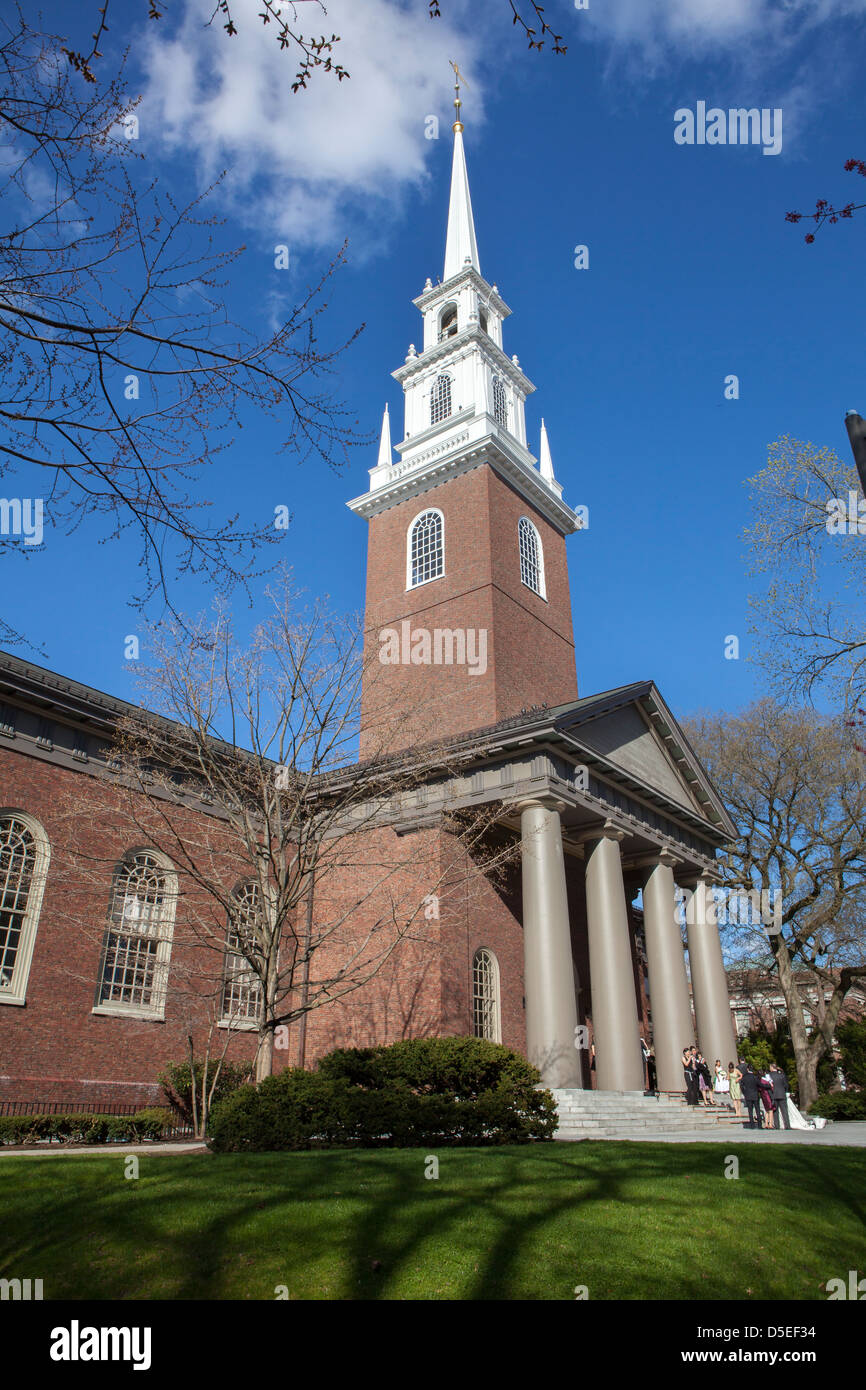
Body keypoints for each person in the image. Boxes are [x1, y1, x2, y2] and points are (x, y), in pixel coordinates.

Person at [740, 1061, 761, 1128]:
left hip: (748, 1095)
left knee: (750, 1110)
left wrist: (744, 1092)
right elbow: (759, 1085)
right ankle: (759, 1124)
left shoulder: (744, 1077)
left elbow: (741, 1086)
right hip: (755, 1094)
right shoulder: (755, 1077)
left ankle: (752, 1125)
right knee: (757, 1110)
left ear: (747, 1069)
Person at [770, 1063, 790, 1129]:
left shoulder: (769, 1075)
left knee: (775, 1112)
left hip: (774, 1095)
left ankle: (777, 1125)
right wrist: (786, 1091)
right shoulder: (782, 1075)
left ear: (772, 1067)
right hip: (782, 1094)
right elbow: (786, 1085)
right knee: (784, 1111)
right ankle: (787, 1126)